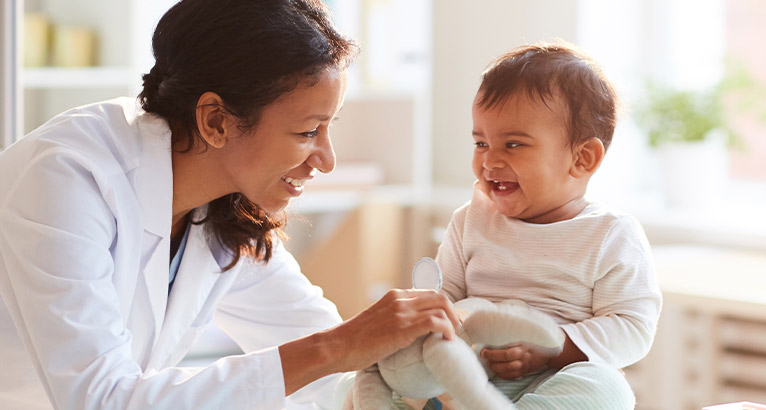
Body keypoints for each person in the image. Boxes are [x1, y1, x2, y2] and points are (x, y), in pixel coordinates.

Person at [0, 1, 459, 409]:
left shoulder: (225, 207)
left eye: (329, 127)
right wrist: (341, 345)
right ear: (216, 120)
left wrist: (430, 387)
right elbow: (101, 399)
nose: (327, 160)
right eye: (306, 132)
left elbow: (320, 354)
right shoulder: (67, 177)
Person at [429, 41, 663, 408]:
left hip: (556, 380)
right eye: (480, 142)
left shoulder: (611, 234)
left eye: (513, 145)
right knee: (372, 382)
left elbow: (633, 328)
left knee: (606, 388)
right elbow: (443, 300)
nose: (489, 161)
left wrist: (552, 347)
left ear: (582, 158)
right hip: (470, 377)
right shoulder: (470, 220)